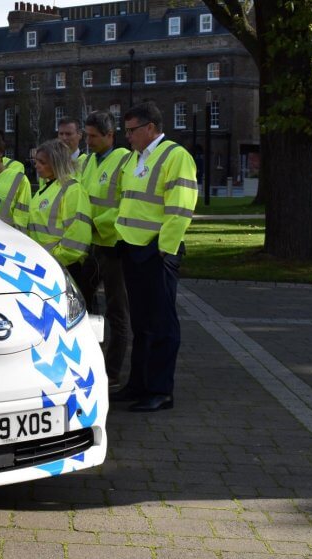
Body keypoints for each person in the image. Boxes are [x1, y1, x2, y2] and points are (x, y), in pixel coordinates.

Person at [114, 102, 198, 412]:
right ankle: (139, 384)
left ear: (151, 127)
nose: (128, 137)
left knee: (162, 324)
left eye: (132, 130)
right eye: (126, 131)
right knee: (142, 324)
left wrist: (164, 249)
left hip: (155, 253)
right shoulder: (136, 158)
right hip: (133, 249)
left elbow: (180, 208)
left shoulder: (175, 156)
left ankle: (161, 391)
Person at [80, 111, 133, 390]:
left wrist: (95, 223)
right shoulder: (88, 161)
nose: (88, 141)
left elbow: (126, 203)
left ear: (110, 135)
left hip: (112, 244)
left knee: (117, 310)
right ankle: (91, 361)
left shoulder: (124, 160)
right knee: (84, 302)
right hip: (91, 243)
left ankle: (112, 373)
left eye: (93, 136)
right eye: (86, 135)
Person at [25, 139, 92, 273]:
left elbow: (77, 237)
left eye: (42, 162)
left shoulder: (72, 190)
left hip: (63, 265)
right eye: (36, 161)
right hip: (45, 261)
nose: (37, 166)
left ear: (56, 162)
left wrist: (56, 257)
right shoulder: (43, 190)